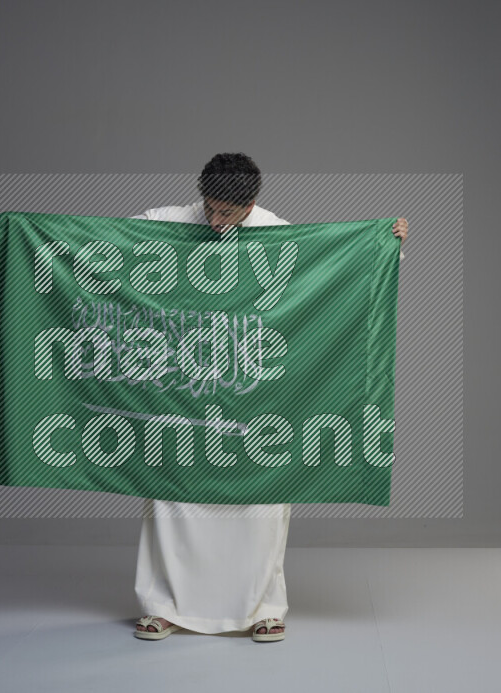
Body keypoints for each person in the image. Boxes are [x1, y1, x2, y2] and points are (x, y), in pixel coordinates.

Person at [128, 153, 408, 642]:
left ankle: (263, 608)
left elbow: (337, 267)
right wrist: (25, 238)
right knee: (171, 499)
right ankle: (163, 605)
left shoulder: (277, 233)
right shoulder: (168, 223)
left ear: (251, 203)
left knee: (260, 506)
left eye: (228, 214)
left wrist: (388, 245)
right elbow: (100, 244)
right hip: (181, 388)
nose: (216, 223)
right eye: (210, 210)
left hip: (256, 389)